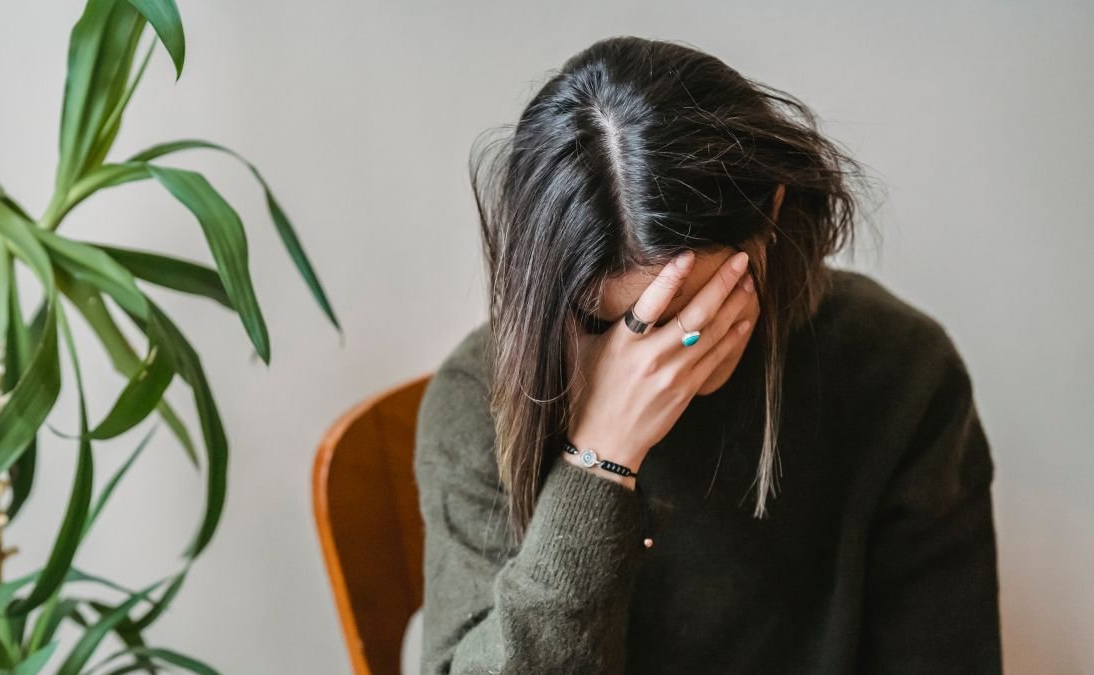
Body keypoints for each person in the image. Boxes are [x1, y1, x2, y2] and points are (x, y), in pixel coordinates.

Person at [413, 35, 1001, 674]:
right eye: (609, 322)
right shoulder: (479, 402)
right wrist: (597, 467)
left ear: (770, 215)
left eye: (692, 312)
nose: (657, 361)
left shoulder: (900, 371)